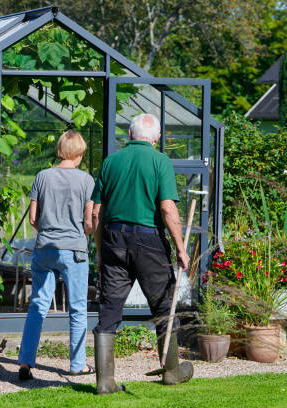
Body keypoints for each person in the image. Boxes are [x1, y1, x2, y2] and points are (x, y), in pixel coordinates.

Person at [90, 113, 192, 394]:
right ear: (157, 138)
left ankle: (104, 381)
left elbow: (97, 214)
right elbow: (168, 208)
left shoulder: (111, 162)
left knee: (109, 308)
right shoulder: (160, 161)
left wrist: (101, 252)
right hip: (149, 242)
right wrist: (181, 249)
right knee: (163, 307)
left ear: (130, 135)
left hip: (113, 239)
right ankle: (172, 372)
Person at [18, 130, 96, 380]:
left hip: (44, 248)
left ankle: (25, 362)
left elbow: (33, 218)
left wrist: (49, 232)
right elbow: (88, 221)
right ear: (80, 153)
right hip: (73, 249)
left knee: (38, 306)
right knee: (77, 308)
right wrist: (82, 234)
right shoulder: (86, 180)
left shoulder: (42, 176)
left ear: (61, 150)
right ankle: (77, 365)